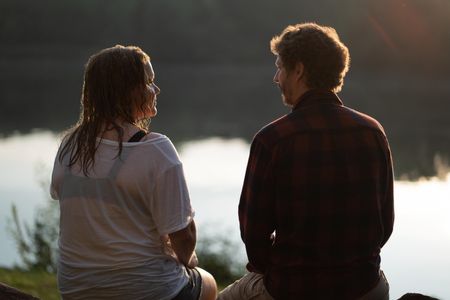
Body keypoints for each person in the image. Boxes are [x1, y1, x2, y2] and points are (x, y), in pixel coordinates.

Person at [218, 23, 394, 300]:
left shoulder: (272, 139)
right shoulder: (373, 132)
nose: (276, 77)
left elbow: (254, 236)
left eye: (279, 67)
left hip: (293, 289)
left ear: (298, 70)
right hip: (364, 288)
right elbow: (385, 224)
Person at [50, 45, 217, 300]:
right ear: (127, 91)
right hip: (147, 290)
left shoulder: (70, 145)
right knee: (209, 282)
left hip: (76, 290)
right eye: (149, 82)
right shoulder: (156, 149)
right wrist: (187, 260)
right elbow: (184, 239)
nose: (156, 89)